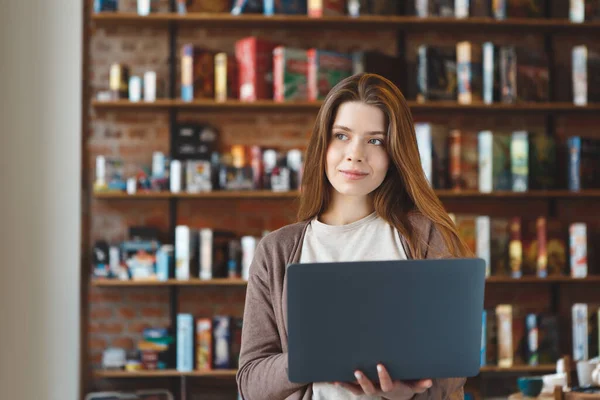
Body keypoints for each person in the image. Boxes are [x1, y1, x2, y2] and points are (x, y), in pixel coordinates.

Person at [236, 73, 472, 400]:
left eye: (375, 140)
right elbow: (250, 383)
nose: (355, 154)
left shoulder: (426, 234)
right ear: (324, 143)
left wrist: (407, 395)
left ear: (394, 154)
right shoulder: (277, 251)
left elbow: (452, 373)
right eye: (342, 136)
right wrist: (319, 356)